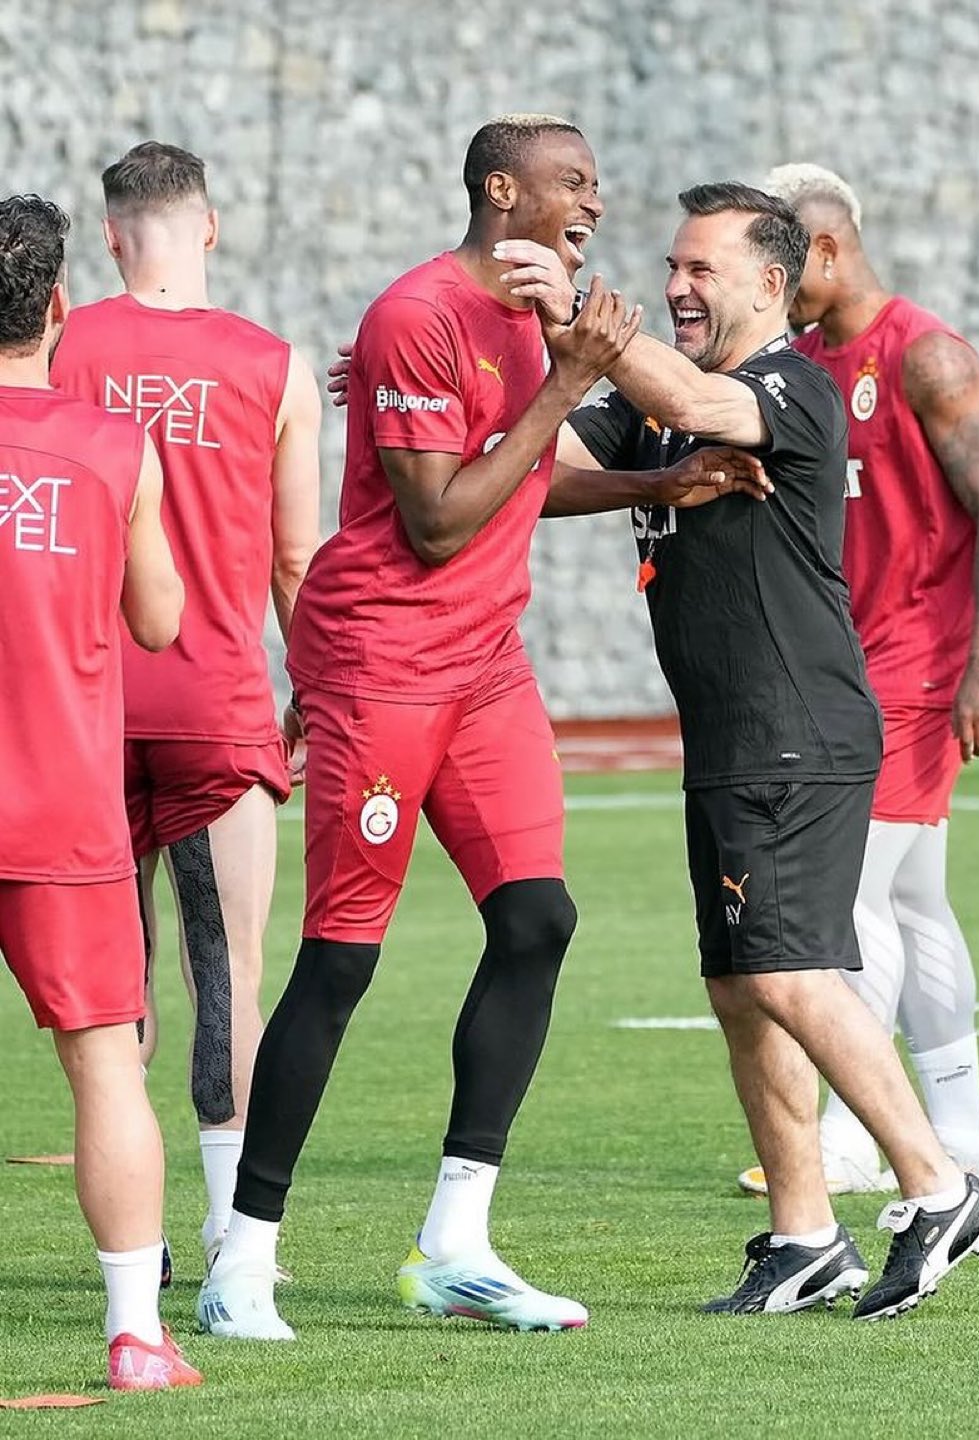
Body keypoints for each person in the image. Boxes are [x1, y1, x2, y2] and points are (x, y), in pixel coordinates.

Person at [197, 113, 693, 1341]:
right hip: (383, 668)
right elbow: (435, 522)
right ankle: (241, 1259)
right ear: (500, 191)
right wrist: (571, 384)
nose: (595, 200)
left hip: (483, 668)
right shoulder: (417, 313)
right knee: (342, 961)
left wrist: (655, 481)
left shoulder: (528, 314)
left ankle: (455, 1247)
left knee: (538, 921)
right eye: (573, 180)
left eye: (597, 181)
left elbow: (517, 472)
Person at [495, 181, 979, 1320]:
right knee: (739, 987)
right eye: (671, 268)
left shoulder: (790, 388)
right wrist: (488, 386)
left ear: (772, 284)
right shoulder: (658, 406)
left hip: (797, 732)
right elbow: (532, 467)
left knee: (785, 970)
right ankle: (805, 1234)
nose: (677, 287)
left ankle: (941, 1186)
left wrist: (579, 315)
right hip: (729, 737)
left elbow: (687, 395)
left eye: (701, 270)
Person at [50, 142, 322, 1274]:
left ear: (113, 236)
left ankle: (140, 1239)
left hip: (85, 713)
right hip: (218, 704)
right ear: (209, 226)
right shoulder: (277, 367)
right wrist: (312, 691)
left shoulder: (61, 346)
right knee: (229, 975)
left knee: (115, 988)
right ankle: (232, 1238)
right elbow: (297, 561)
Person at [730, 164, 979, 1200]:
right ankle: (964, 1137)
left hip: (915, 668)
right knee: (914, 898)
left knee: (847, 895)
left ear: (825, 248)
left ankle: (858, 1137)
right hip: (843, 664)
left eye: (780, 264)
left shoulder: (925, 354)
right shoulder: (803, 362)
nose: (769, 286)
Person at [0, 193, 198, 1388]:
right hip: (63, 806)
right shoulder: (115, 447)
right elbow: (161, 618)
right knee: (106, 1067)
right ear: (62, 306)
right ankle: (135, 1335)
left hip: (60, 806)